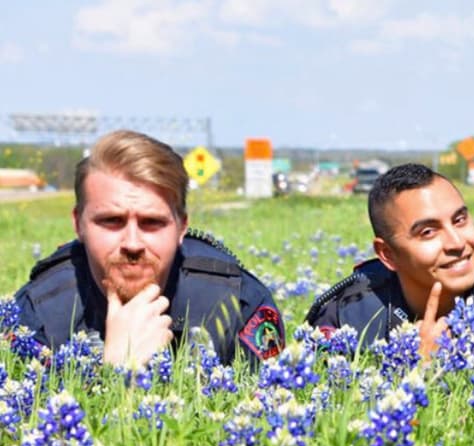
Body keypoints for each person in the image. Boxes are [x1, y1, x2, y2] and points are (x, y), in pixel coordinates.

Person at [14, 130, 283, 368]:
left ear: (182, 227)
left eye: (152, 222)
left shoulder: (237, 302)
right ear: (78, 224)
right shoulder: (37, 314)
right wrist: (116, 371)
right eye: (111, 221)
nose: (133, 243)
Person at [306, 163, 474, 354]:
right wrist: (414, 370)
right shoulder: (346, 318)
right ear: (388, 255)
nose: (457, 243)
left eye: (459, 220)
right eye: (428, 232)